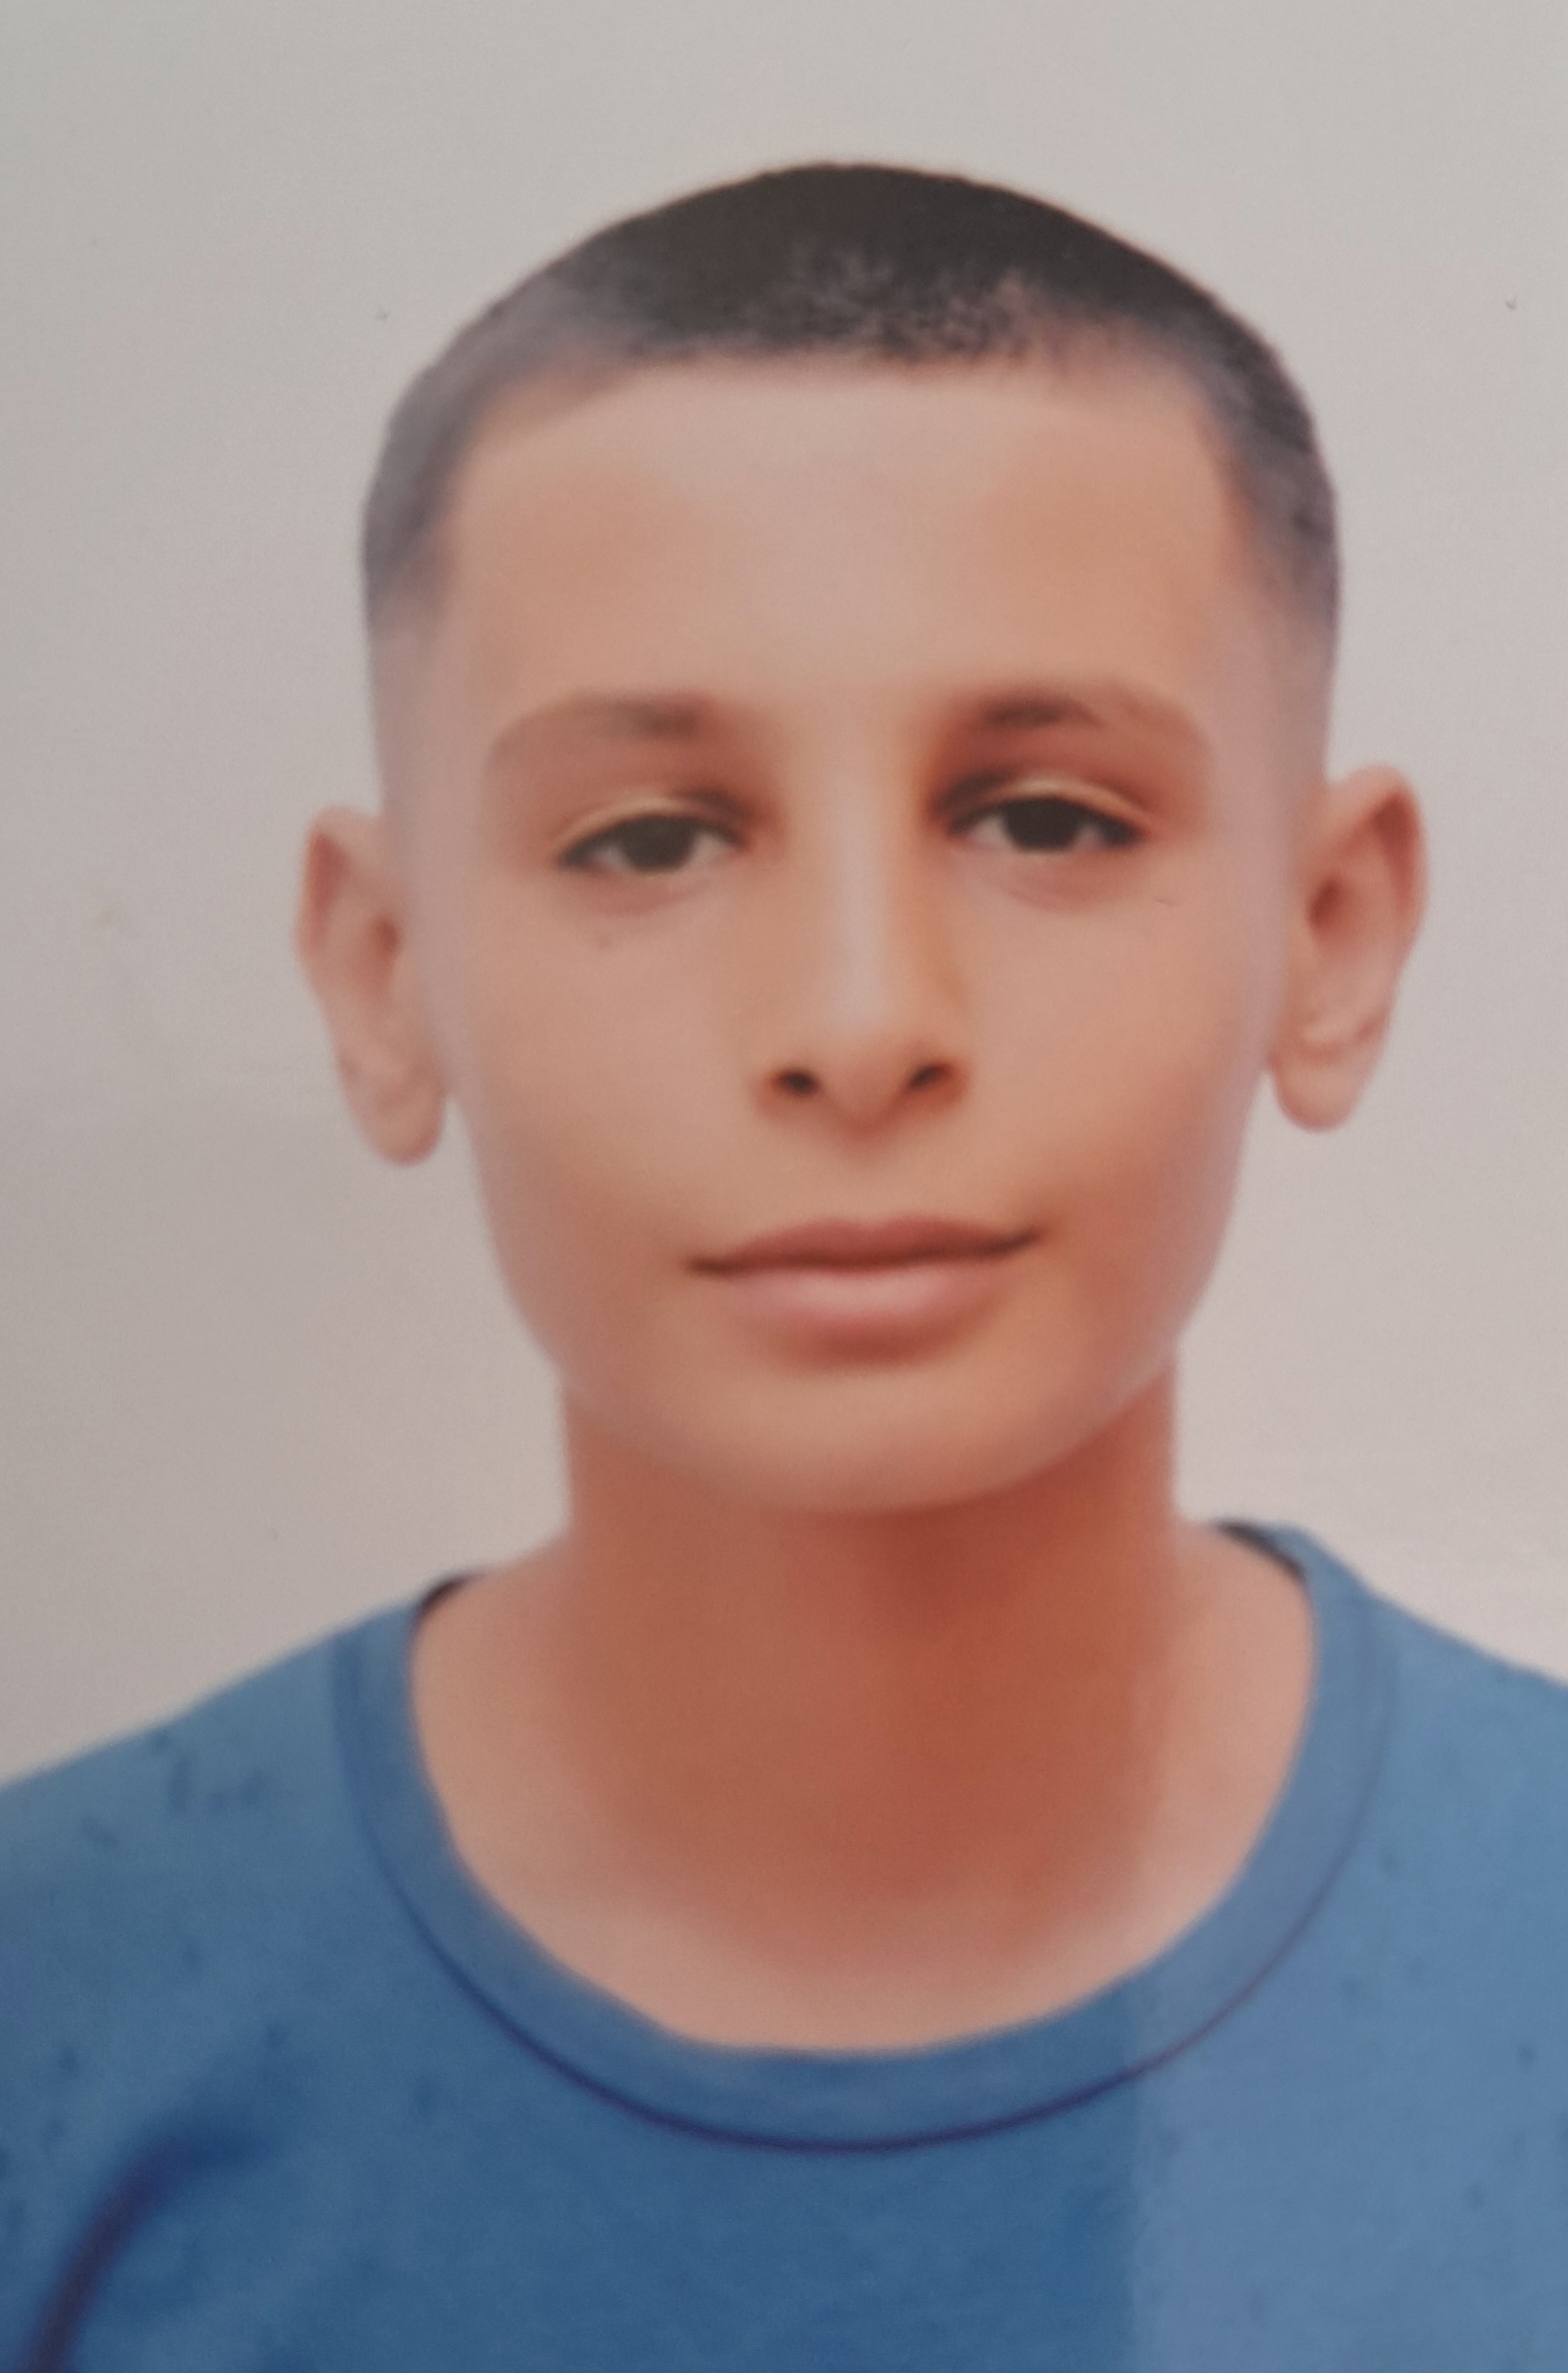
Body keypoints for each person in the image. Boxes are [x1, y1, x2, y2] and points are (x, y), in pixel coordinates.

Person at [2, 161, 1564, 2369]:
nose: (856, 1020)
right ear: (382, 973)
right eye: (647, 838)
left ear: (1326, 936)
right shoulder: (53, 2016)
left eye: (1043, 817)